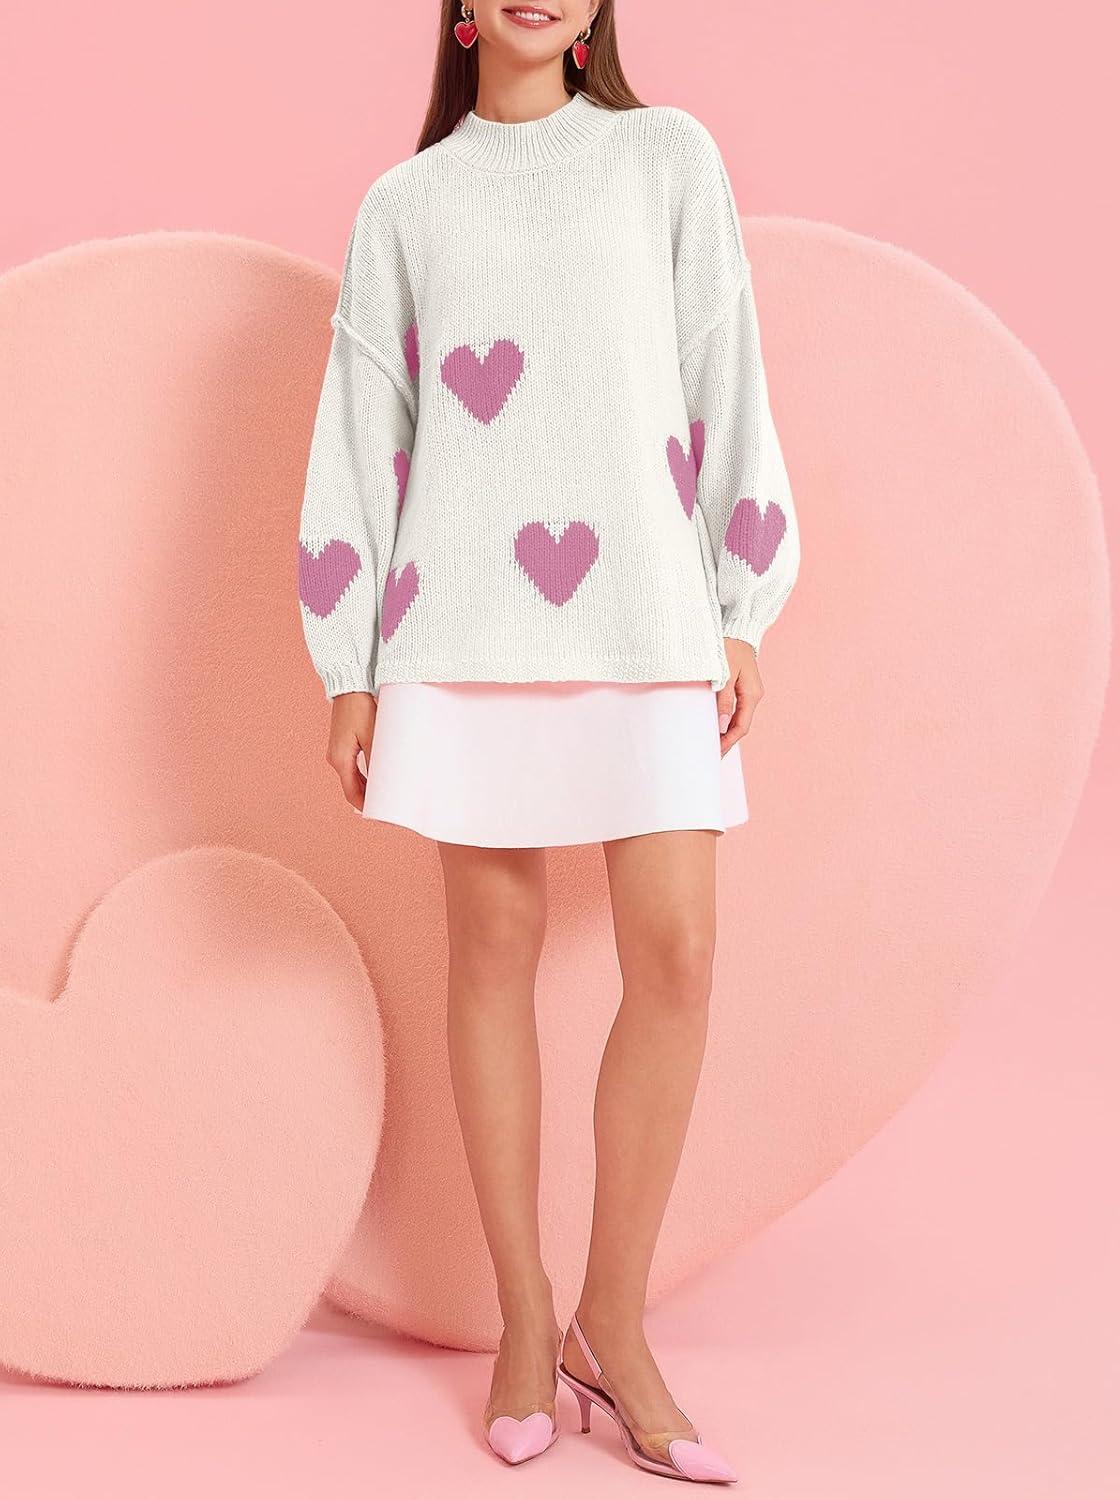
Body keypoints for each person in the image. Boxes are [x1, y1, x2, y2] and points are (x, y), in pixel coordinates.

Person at [297, 0, 799, 1483]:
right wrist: (350, 667)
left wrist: (740, 603)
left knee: (679, 951)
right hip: (460, 625)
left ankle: (611, 1322)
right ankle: (527, 1320)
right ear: (458, 7)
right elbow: (364, 427)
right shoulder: (407, 204)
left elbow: (722, 365)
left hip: (645, 608)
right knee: (494, 951)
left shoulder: (665, 159)